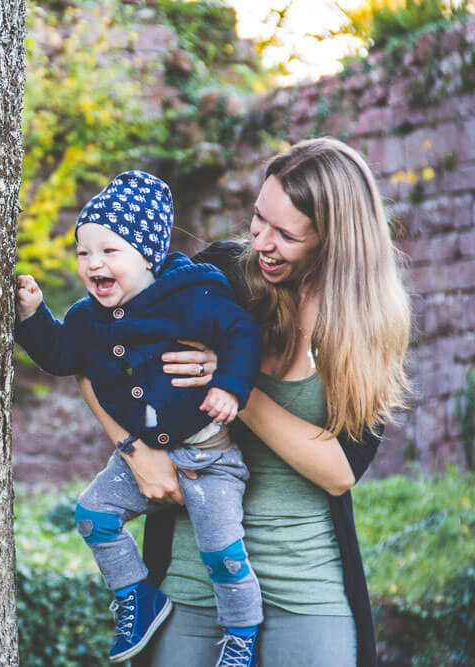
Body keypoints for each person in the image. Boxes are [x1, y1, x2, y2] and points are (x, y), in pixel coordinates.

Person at [79, 138, 411, 667]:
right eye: (259, 219)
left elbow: (339, 469)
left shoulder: (366, 325)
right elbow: (96, 346)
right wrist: (133, 450)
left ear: (334, 240)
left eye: (286, 234)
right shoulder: (215, 279)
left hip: (306, 584)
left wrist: (232, 384)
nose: (261, 242)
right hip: (194, 574)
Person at [15, 171, 264, 665]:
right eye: (84, 252)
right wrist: (34, 315)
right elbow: (64, 356)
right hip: (140, 458)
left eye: (110, 251)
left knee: (224, 556)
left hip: (210, 459)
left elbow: (242, 333)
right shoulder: (88, 318)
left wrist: (229, 387)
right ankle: (135, 594)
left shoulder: (193, 298)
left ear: (147, 255)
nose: (93, 264)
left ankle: (240, 636)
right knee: (93, 517)